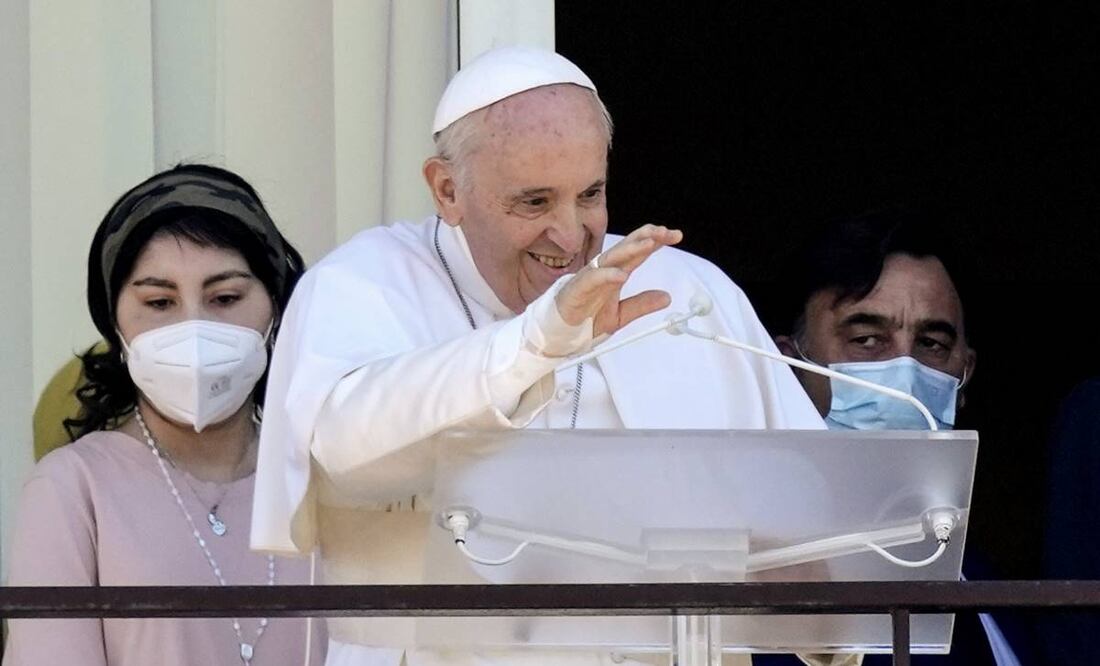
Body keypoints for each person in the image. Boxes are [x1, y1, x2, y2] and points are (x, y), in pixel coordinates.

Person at [251, 46, 832, 666]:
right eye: (534, 202)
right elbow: (346, 453)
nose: (571, 234)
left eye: (590, 194)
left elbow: (821, 536)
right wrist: (535, 344)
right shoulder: (361, 286)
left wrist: (813, 600)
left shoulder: (688, 293)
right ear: (447, 190)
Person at [2, 164, 326, 666]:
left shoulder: (324, 480)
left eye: (225, 298)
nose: (193, 327)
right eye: (159, 302)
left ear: (276, 309)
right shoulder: (73, 489)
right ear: (115, 323)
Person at [769, 210, 1032, 666]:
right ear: (791, 369)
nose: (905, 371)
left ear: (964, 375)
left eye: (932, 344)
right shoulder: (747, 580)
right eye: (867, 339)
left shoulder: (984, 584)